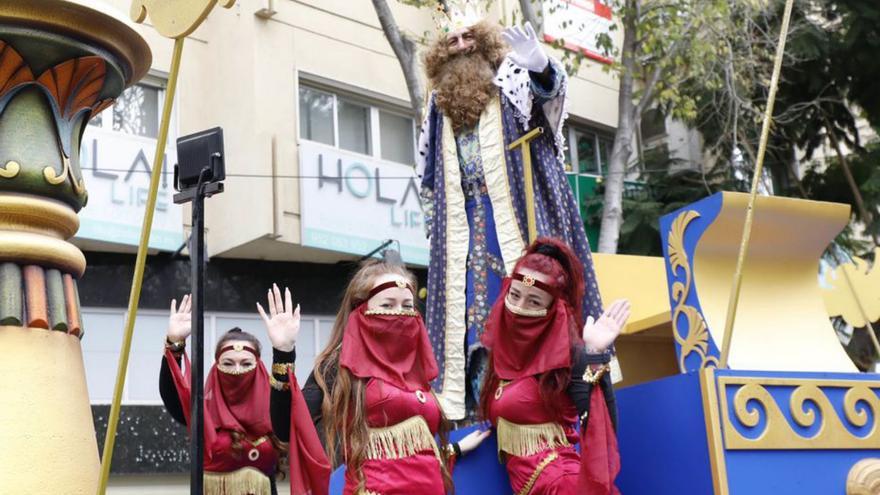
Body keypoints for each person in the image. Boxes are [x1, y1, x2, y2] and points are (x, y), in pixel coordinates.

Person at [417, 3, 604, 420]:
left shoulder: (510, 78)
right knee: (470, 319)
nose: (461, 46)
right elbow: (427, 174)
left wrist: (539, 66)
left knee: (531, 303)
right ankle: (480, 408)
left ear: (484, 43)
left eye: (468, 38)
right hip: (461, 227)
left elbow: (549, 103)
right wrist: (435, 231)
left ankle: (547, 402)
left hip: (518, 214)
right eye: (452, 41)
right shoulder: (438, 104)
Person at [270, 259, 490, 495]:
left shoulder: (417, 366)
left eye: (407, 306)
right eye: (387, 305)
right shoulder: (342, 365)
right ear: (360, 308)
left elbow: (412, 452)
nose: (399, 313)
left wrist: (454, 449)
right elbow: (287, 428)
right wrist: (283, 353)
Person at [479, 238, 630, 495]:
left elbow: (602, 426)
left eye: (534, 301)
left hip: (561, 484)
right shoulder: (500, 355)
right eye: (515, 295)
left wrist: (593, 355)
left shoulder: (569, 357)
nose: (519, 307)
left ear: (552, 309)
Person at [160, 292, 329, 495]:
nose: (238, 370)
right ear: (216, 368)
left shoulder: (273, 408)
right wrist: (174, 343)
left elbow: (286, 407)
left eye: (246, 363)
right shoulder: (203, 411)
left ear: (258, 368)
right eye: (228, 363)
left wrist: (283, 350)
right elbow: (174, 395)